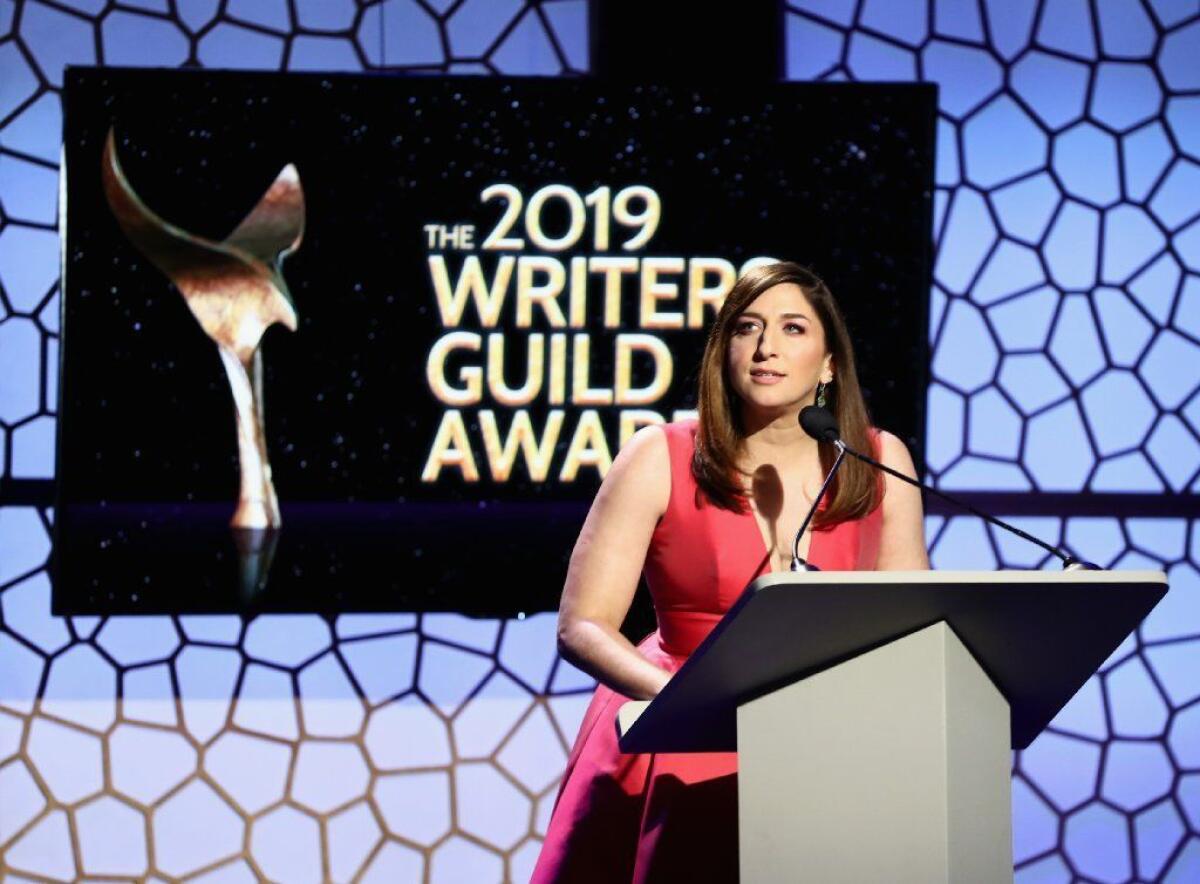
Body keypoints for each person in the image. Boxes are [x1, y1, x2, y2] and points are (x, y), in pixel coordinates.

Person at [530, 262, 929, 882]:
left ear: (829, 364)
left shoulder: (878, 460)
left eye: (793, 328)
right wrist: (688, 705)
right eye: (747, 328)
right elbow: (582, 625)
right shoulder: (659, 454)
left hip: (824, 743)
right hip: (676, 732)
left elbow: (910, 625)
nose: (767, 346)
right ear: (725, 352)